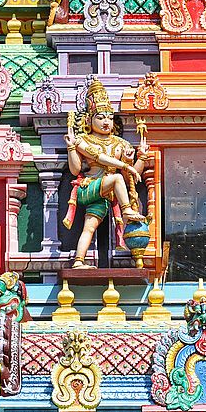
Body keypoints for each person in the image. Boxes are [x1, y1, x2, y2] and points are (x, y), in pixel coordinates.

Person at [62, 77, 149, 268]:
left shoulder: (121, 144)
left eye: (109, 117)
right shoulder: (83, 140)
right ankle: (127, 211)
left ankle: (78, 261)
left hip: (104, 194)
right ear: (89, 119)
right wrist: (71, 148)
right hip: (88, 186)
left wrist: (139, 158)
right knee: (115, 176)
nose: (106, 122)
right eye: (100, 117)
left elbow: (130, 179)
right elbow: (83, 166)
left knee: (90, 226)